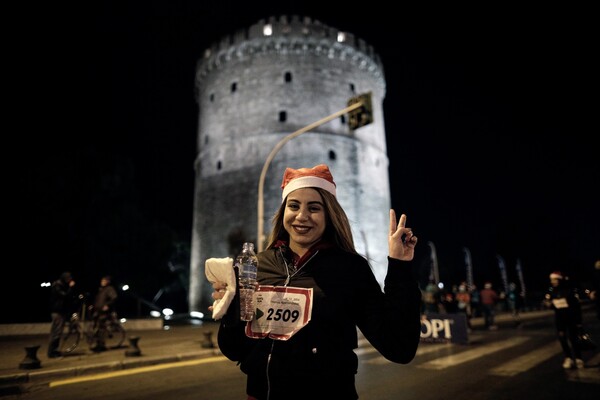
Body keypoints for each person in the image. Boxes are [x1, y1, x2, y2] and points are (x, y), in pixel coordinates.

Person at [209, 164, 421, 400]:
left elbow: (399, 347)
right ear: (283, 212)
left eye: (314, 208)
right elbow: (234, 349)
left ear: (329, 215)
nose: (302, 216)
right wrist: (230, 313)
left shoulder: (350, 269)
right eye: (294, 206)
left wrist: (400, 266)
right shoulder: (257, 266)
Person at [543, 271, 584, 369]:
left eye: (554, 279)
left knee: (573, 339)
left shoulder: (569, 291)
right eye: (551, 280)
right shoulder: (552, 291)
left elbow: (576, 307)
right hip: (559, 319)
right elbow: (554, 305)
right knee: (562, 338)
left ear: (559, 279)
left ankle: (578, 358)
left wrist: (579, 322)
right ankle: (568, 357)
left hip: (571, 319)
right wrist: (549, 305)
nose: (552, 282)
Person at [47, 271, 77, 358]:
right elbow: (65, 296)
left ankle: (53, 351)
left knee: (56, 332)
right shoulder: (58, 285)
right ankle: (52, 352)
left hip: (59, 311)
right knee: (57, 332)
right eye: (68, 279)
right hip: (57, 312)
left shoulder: (60, 285)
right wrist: (71, 287)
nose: (70, 281)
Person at [90, 275, 118, 352]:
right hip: (98, 311)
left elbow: (114, 298)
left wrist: (107, 305)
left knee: (101, 328)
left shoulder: (109, 289)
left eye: (104, 281)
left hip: (104, 312)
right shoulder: (101, 289)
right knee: (96, 328)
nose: (102, 282)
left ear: (108, 282)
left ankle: (101, 346)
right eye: (102, 281)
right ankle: (98, 344)